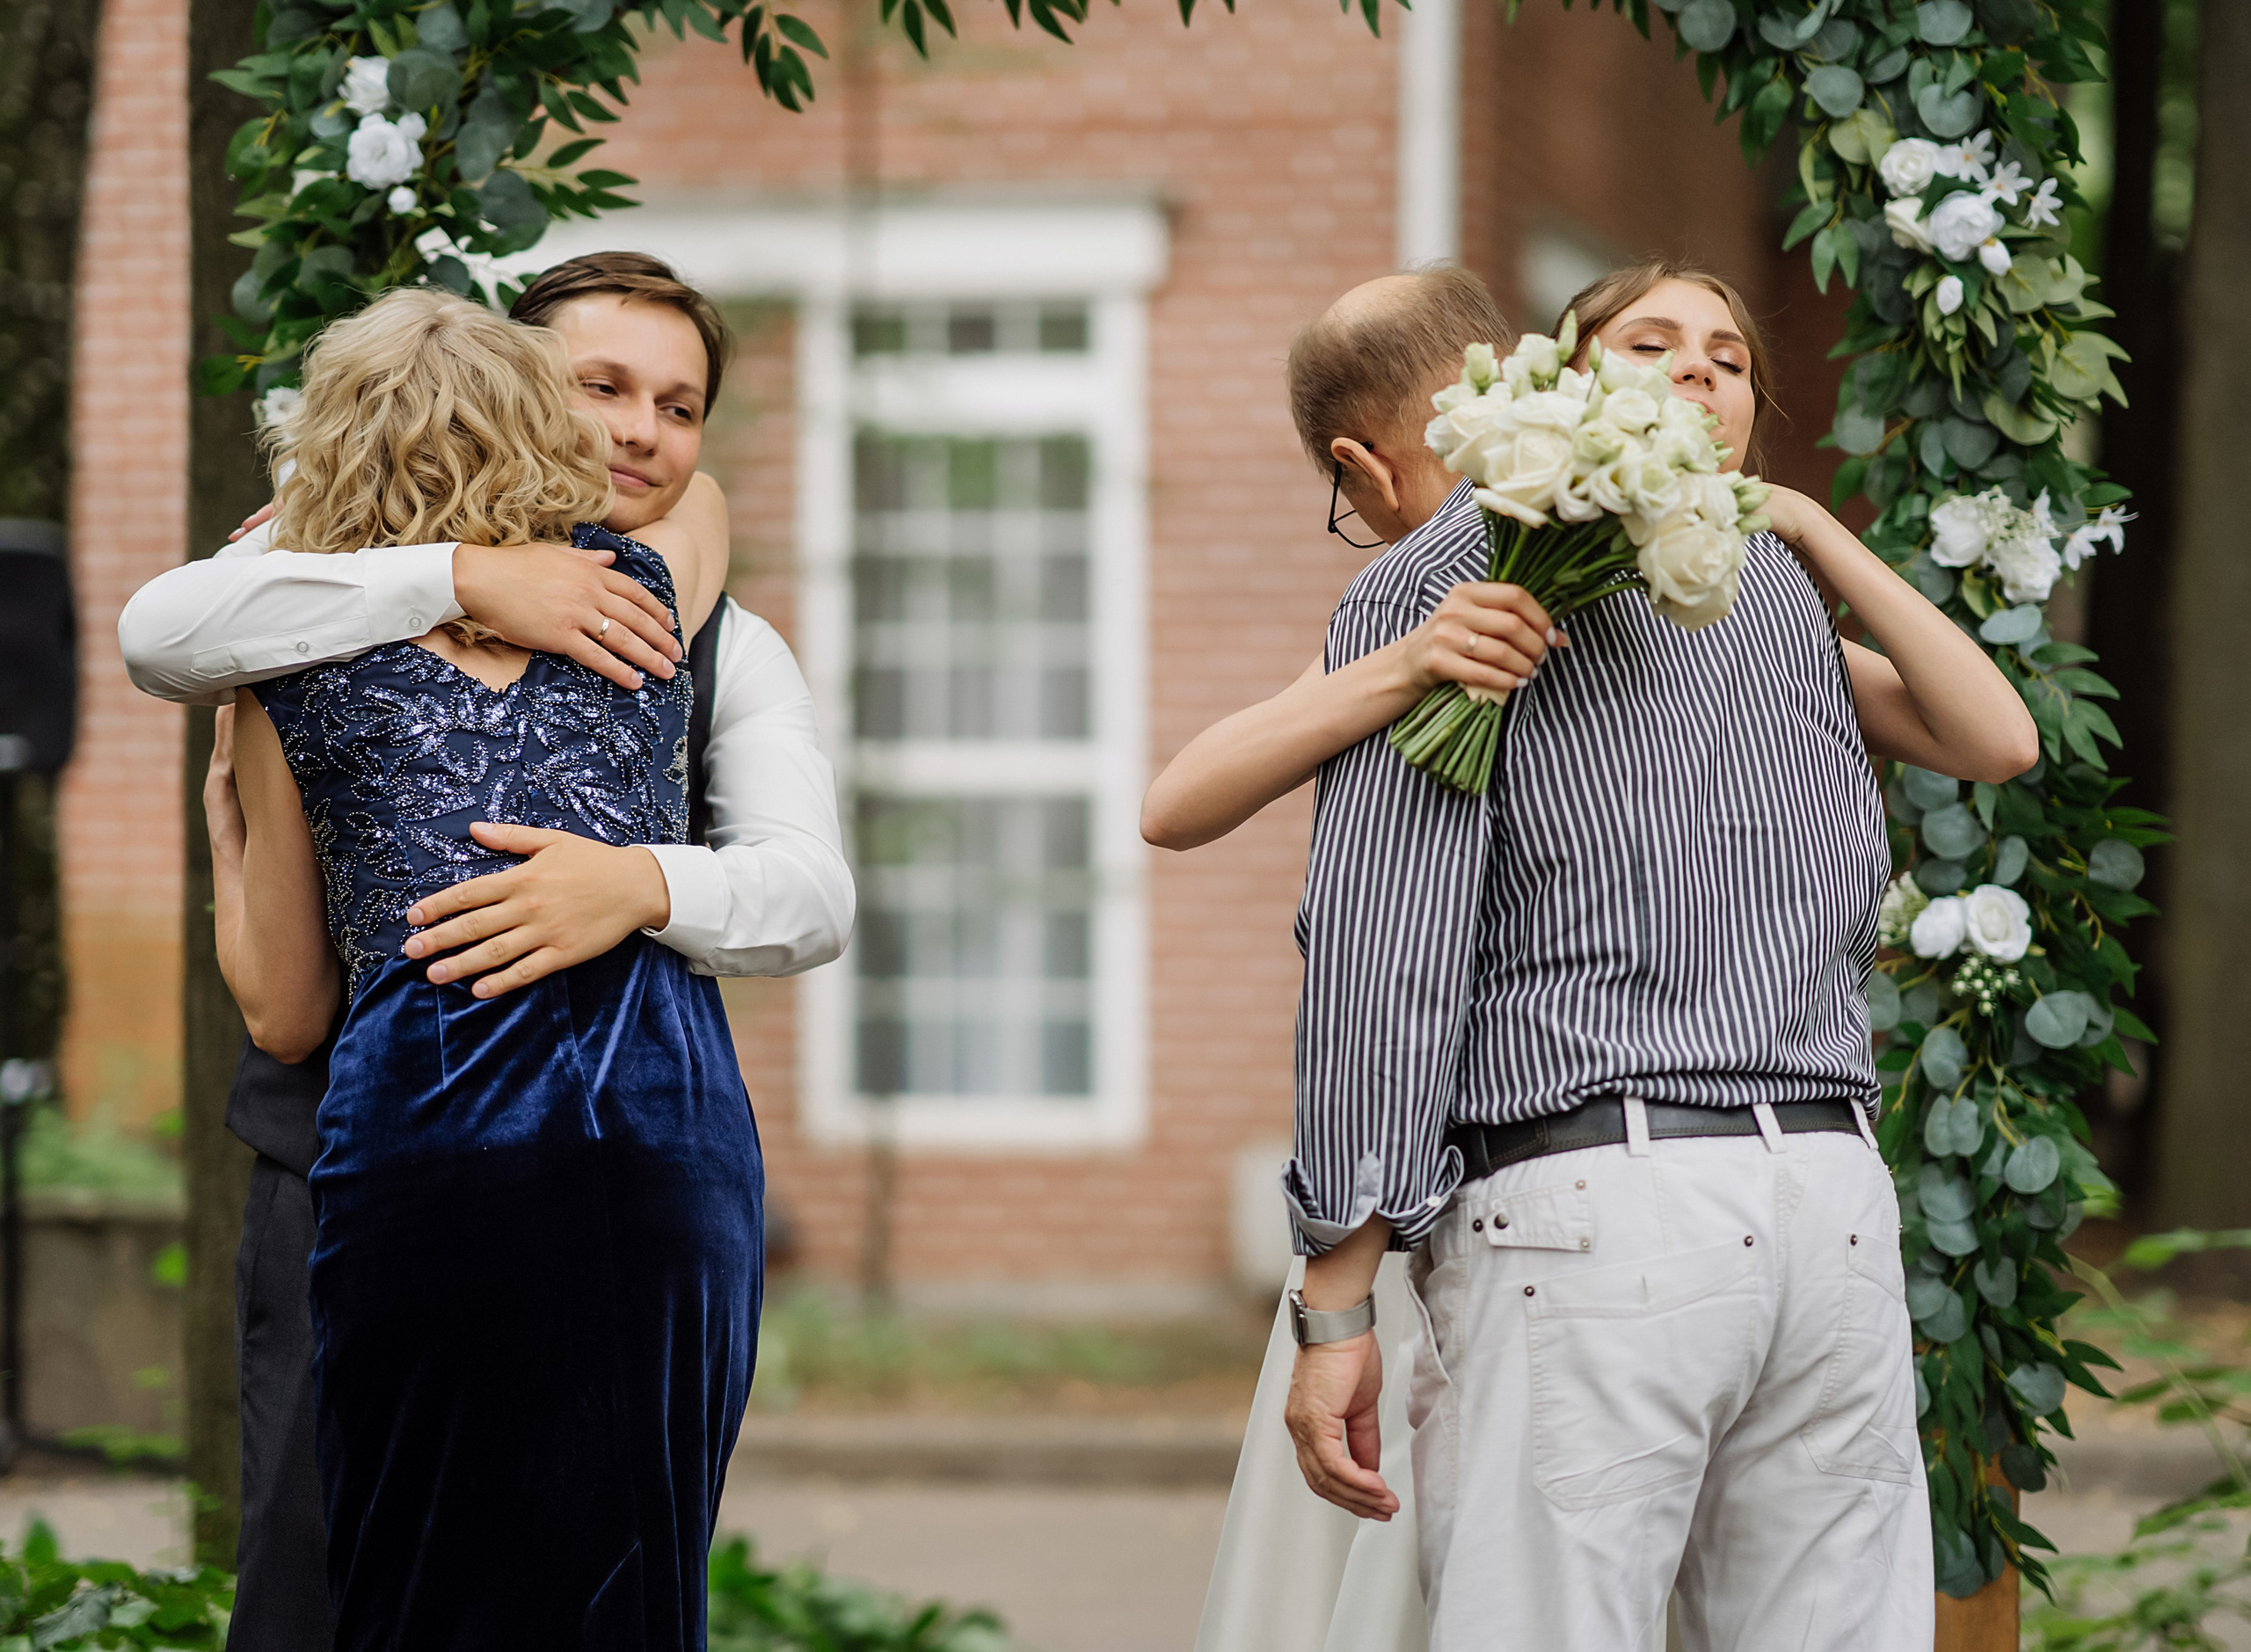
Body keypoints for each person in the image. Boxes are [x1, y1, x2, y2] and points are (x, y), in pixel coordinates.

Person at [1168, 259, 2038, 1650]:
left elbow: (1383, 958)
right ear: (1562, 385)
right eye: (1655, 343)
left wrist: (1338, 1294)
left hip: (1667, 1218)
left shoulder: (1750, 596)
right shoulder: (1487, 579)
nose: (1701, 370)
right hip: (1778, 1203)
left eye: (1730, 357)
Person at [120, 252, 852, 1650]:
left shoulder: (709, 631)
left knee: (445, 1574)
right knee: (350, 1565)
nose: (644, 432)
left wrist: (637, 882)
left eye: (680, 405)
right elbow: (165, 624)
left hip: (443, 1131)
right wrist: (464, 573)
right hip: (422, 1154)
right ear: (524, 393)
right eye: (603, 388)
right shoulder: (299, 603)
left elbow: (810, 892)